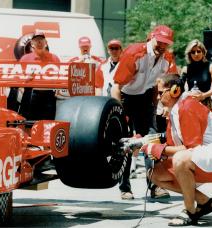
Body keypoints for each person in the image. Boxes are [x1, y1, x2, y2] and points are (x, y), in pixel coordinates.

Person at [139, 74, 212, 226]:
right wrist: (142, 143)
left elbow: (190, 148)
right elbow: (176, 146)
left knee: (180, 159)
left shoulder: (187, 107)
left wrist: (158, 149)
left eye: (160, 93)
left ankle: (190, 210)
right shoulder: (176, 109)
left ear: (174, 91)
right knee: (155, 174)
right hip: (206, 158)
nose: (158, 98)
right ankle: (204, 202)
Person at [113, 25, 177, 200]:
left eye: (166, 43)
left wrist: (161, 105)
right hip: (125, 97)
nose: (162, 46)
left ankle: (155, 186)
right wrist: (118, 111)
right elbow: (116, 86)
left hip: (146, 98)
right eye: (160, 41)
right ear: (152, 37)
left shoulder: (167, 58)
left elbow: (162, 85)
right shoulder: (134, 53)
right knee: (126, 142)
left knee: (152, 139)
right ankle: (125, 187)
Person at [95, 39, 135, 200]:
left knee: (126, 147)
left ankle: (125, 186)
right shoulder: (101, 67)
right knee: (104, 146)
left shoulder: (127, 65)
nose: (114, 50)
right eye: (111, 48)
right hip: (107, 111)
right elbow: (98, 87)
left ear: (121, 49)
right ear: (108, 49)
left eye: (117, 48)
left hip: (124, 110)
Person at [19, 32, 60, 120]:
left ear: (46, 42)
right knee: (29, 123)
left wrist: (57, 89)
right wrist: (26, 80)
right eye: (36, 41)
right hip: (31, 93)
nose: (39, 43)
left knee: (48, 124)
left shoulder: (55, 58)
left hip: (49, 95)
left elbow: (60, 77)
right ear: (32, 44)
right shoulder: (25, 59)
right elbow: (18, 79)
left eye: (41, 40)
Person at [56, 36, 104, 100]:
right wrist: (79, 64)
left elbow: (104, 70)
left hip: (92, 88)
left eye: (87, 46)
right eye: (83, 46)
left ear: (90, 47)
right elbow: (65, 74)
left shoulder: (97, 60)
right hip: (78, 88)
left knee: (99, 92)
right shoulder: (73, 61)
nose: (85, 48)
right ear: (79, 47)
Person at [181, 39, 212, 109]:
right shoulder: (185, 69)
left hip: (205, 103)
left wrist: (203, 95)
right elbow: (180, 87)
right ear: (189, 54)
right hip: (190, 103)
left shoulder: (211, 67)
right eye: (193, 52)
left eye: (198, 51)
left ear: (203, 52)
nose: (196, 54)